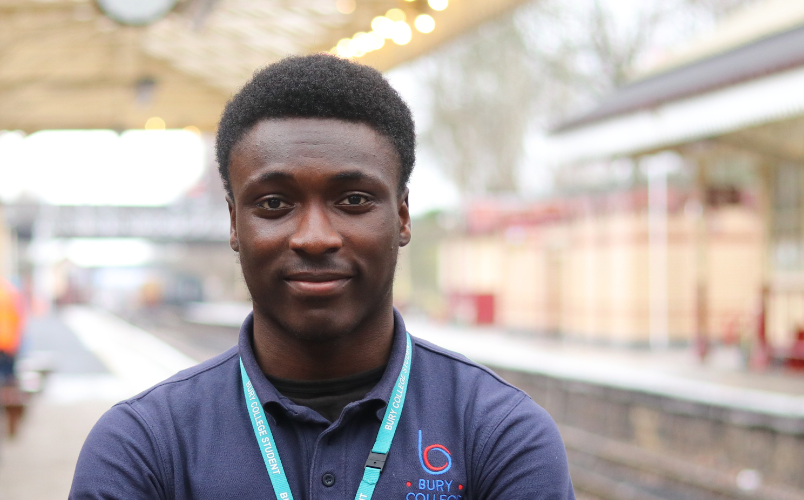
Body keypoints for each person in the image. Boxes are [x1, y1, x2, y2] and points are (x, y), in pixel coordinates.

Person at [69, 54, 574, 499]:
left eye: (353, 200)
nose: (314, 237)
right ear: (233, 224)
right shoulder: (142, 448)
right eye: (274, 203)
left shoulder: (499, 434)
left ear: (401, 218)